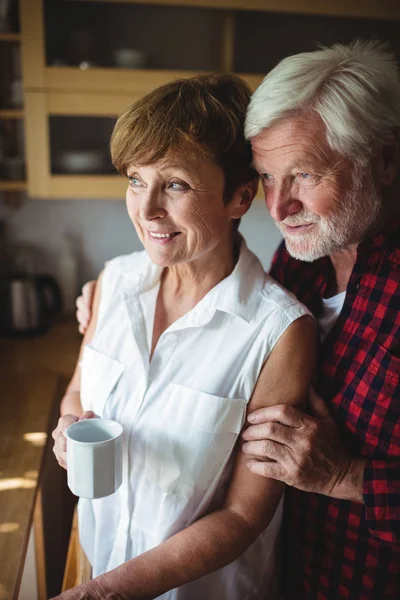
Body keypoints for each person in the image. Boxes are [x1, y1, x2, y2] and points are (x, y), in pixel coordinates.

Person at [77, 40, 400, 600]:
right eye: (270, 177)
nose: (277, 209)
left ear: (387, 161)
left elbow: (246, 510)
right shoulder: (303, 264)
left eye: (304, 175)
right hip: (288, 569)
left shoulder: (281, 316)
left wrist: (348, 477)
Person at [52, 73, 316, 600]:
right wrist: (67, 428)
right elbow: (80, 391)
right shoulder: (114, 281)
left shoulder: (279, 331)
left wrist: (107, 593)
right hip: (99, 564)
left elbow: (244, 515)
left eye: (174, 184)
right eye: (134, 179)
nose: (146, 209)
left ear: (240, 197)